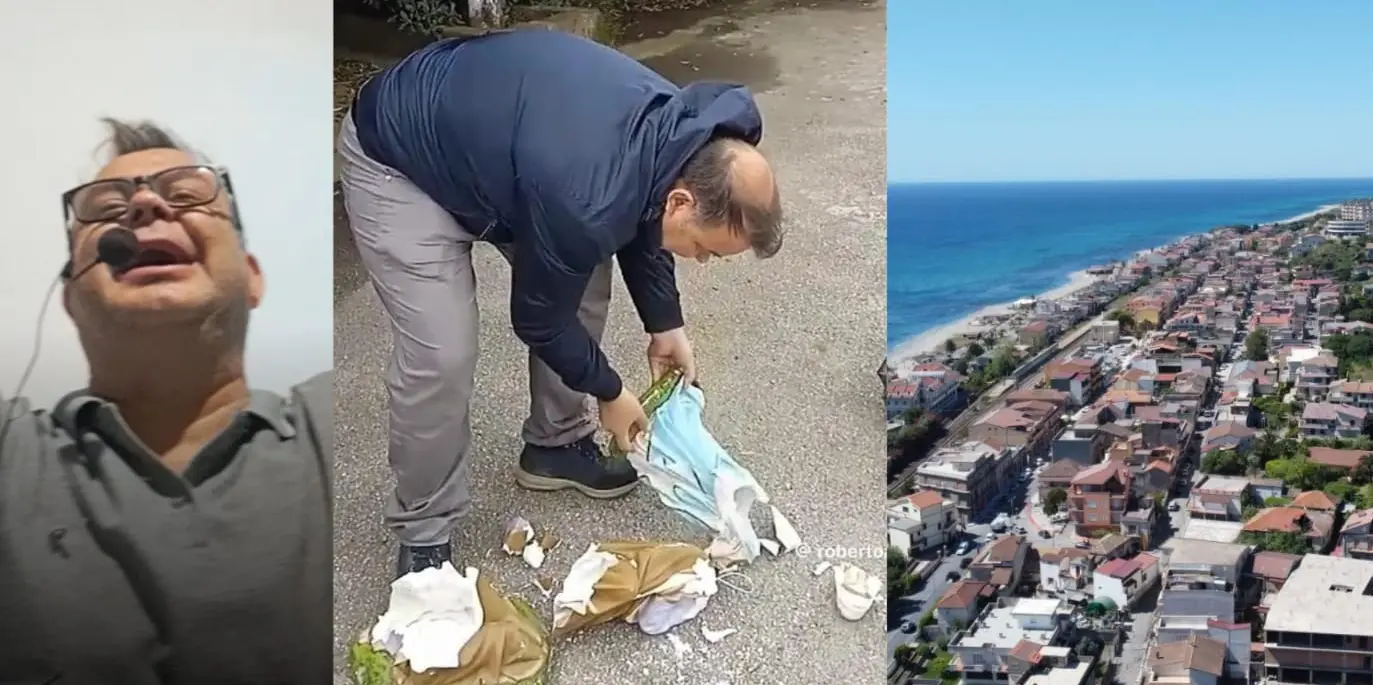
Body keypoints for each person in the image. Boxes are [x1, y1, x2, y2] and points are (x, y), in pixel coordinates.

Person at [339, 28, 785, 577]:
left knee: (582, 270)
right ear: (683, 200)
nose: (700, 261)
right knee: (442, 353)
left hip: (507, 162)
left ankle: (555, 446)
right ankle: (425, 533)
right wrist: (610, 392)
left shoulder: (680, 139)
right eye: (705, 249)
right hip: (400, 160)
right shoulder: (587, 193)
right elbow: (538, 316)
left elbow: (641, 216)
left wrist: (665, 323)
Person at [0, 120, 332, 685]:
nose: (147, 204)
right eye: (106, 207)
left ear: (252, 278)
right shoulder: (13, 456)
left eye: (186, 194)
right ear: (71, 299)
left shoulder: (328, 423)